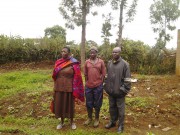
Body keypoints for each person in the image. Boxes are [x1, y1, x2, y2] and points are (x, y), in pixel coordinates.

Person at [52, 46, 84, 130]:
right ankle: (61, 122)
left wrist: (76, 88)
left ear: (69, 53)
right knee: (60, 104)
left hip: (69, 87)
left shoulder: (74, 63)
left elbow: (78, 76)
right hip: (59, 86)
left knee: (70, 105)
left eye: (65, 51)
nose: (63, 53)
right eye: (62, 51)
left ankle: (72, 122)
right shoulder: (58, 62)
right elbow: (54, 75)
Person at [104, 47, 131, 133]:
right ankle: (112, 122)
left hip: (120, 92)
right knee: (112, 108)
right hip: (111, 92)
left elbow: (127, 79)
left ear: (120, 53)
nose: (114, 54)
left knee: (121, 110)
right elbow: (107, 76)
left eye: (116, 52)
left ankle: (121, 125)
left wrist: (123, 90)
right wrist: (106, 86)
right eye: (113, 52)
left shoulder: (125, 64)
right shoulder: (109, 63)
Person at [84, 46, 106, 127]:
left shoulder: (101, 62)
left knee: (98, 102)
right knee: (88, 102)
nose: (92, 54)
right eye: (90, 53)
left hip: (98, 86)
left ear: (97, 53)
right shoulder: (87, 62)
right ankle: (89, 118)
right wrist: (87, 83)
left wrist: (101, 83)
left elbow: (103, 74)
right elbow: (85, 74)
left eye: (93, 52)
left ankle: (96, 118)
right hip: (88, 86)